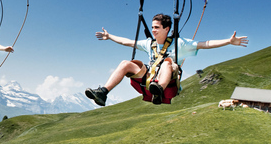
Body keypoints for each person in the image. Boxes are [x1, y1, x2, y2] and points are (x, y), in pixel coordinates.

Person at [85, 13, 248, 106]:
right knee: (125, 63)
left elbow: (204, 44)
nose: (153, 30)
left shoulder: (179, 43)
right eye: (152, 27)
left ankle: (159, 90)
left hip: (169, 81)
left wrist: (228, 41)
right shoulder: (149, 43)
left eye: (156, 27)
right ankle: (103, 92)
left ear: (166, 29)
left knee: (168, 62)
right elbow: (127, 42)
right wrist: (109, 36)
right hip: (149, 78)